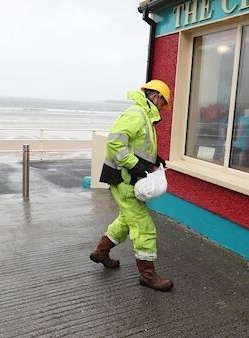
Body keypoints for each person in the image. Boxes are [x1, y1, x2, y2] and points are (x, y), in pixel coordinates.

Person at [90, 79, 173, 292]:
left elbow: (138, 145)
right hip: (124, 179)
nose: (163, 108)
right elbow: (115, 142)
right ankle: (147, 275)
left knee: (126, 220)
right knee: (143, 226)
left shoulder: (144, 116)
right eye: (163, 103)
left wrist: (155, 159)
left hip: (127, 178)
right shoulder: (137, 114)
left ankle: (101, 252)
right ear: (155, 96)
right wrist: (134, 165)